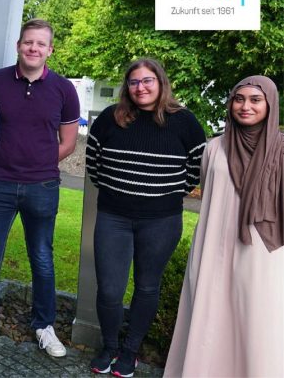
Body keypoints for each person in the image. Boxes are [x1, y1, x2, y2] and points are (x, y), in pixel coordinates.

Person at [0, 18, 80, 358]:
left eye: (40, 44)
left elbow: (68, 142)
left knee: (41, 259)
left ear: (50, 50)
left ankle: (44, 326)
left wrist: (37, 163)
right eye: (28, 42)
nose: (33, 48)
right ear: (18, 45)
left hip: (43, 186)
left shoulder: (64, 89)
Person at [85, 58, 206, 377]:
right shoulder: (111, 118)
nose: (141, 87)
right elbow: (94, 163)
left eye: (147, 80)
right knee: (109, 289)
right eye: (134, 81)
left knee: (147, 286)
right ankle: (110, 346)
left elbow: (195, 168)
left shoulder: (184, 121)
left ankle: (130, 350)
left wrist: (163, 193)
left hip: (161, 221)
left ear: (161, 82)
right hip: (113, 218)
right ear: (127, 86)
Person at [164, 76, 284, 377]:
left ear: (270, 104)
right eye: (239, 99)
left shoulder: (281, 149)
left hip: (262, 251)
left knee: (255, 316)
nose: (245, 106)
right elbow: (209, 190)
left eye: (255, 100)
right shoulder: (215, 147)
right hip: (214, 244)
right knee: (210, 311)